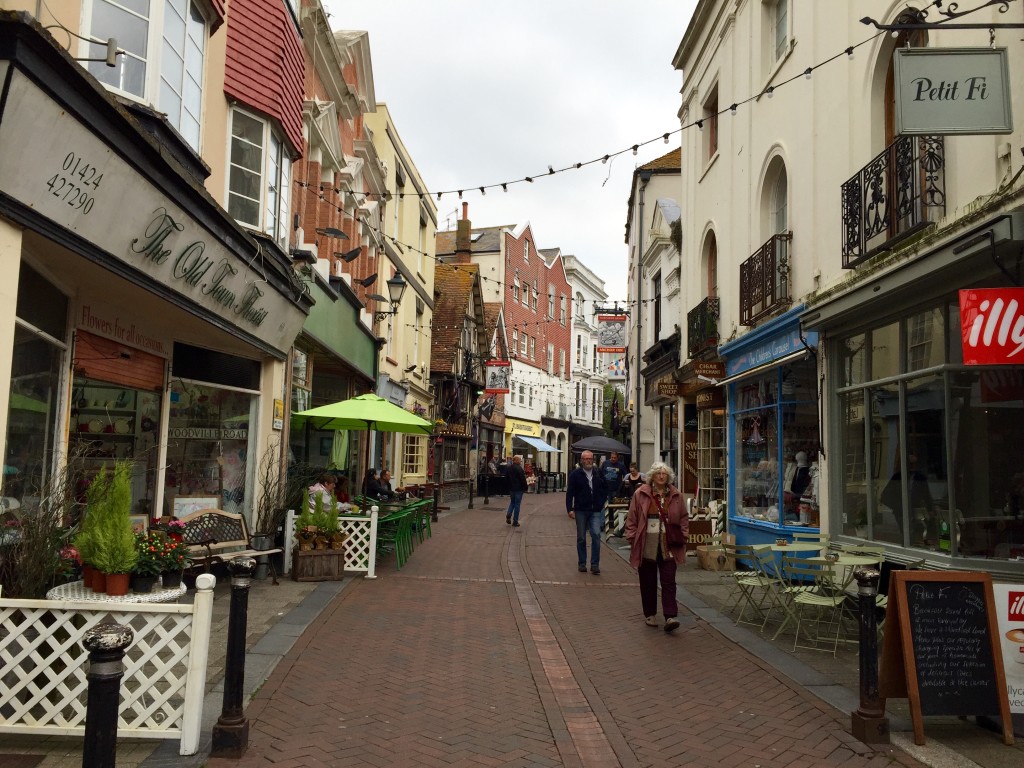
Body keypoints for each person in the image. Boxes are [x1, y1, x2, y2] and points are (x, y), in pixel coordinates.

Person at [623, 461, 689, 633]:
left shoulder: (676, 495)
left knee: (669, 581)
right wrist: (632, 538)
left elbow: (683, 518)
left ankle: (670, 616)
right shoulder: (641, 494)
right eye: (658, 473)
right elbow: (632, 518)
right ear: (652, 476)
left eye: (664, 474)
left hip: (669, 545)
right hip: (647, 544)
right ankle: (650, 614)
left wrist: (684, 535)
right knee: (648, 581)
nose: (661, 476)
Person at [565, 450, 609, 574]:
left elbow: (605, 488)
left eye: (590, 458)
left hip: (595, 510)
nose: (589, 461)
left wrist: (601, 502)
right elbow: (570, 493)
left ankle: (595, 564)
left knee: (596, 535)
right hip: (580, 510)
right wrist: (569, 509)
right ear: (582, 460)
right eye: (586, 459)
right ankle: (582, 563)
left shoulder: (598, 473)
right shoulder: (575, 474)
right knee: (581, 537)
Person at [506, 454, 528, 527]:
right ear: (516, 460)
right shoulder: (519, 468)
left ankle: (509, 514)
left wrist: (508, 486)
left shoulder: (509, 468)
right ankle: (515, 521)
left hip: (511, 488)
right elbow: (523, 479)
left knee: (512, 502)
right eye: (519, 460)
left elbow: (507, 477)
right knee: (517, 504)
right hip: (518, 489)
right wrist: (525, 488)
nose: (520, 461)